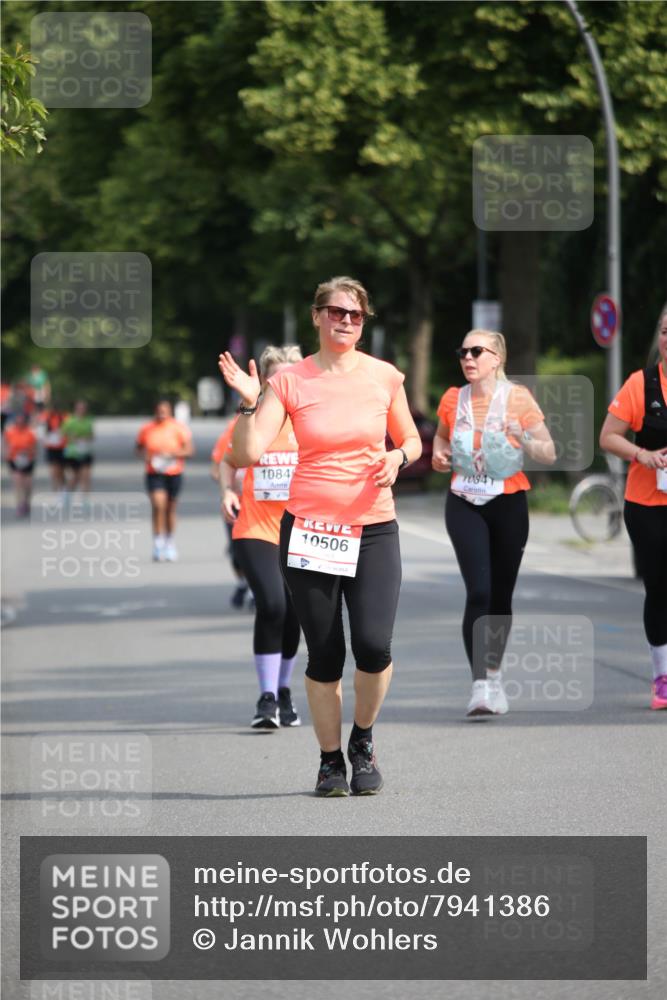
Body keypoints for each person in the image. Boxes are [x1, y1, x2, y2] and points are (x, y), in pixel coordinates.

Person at [219, 276, 421, 796]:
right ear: (317, 316)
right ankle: (330, 760)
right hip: (310, 529)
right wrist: (248, 402)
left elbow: (413, 440)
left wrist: (397, 456)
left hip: (374, 526)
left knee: (374, 646)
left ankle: (363, 739)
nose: (346, 322)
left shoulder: (384, 377)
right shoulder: (289, 380)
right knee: (326, 655)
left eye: (355, 315)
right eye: (335, 312)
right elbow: (247, 453)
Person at [432, 329, 556, 718]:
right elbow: (439, 438)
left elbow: (549, 452)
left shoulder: (517, 399)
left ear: (496, 358)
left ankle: (495, 675)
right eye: (463, 351)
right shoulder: (454, 399)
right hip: (464, 501)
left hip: (508, 503)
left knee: (501, 597)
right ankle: (480, 685)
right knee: (479, 592)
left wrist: (525, 438)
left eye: (476, 351)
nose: (467, 358)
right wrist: (439, 455)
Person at [220, 345, 304, 729]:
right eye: (277, 376)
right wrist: (227, 490)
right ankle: (266, 696)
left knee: (294, 613)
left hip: (302, 530)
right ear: (266, 379)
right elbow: (227, 458)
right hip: (255, 528)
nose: (284, 383)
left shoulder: (309, 420)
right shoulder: (250, 417)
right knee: (272, 605)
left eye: (292, 375)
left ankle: (284, 690)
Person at [600, 307, 667, 710]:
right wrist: (642, 454)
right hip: (647, 505)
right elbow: (608, 436)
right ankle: (662, 678)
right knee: (659, 586)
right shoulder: (641, 385)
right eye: (664, 331)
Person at [136, 399, 194, 562]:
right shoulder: (146, 429)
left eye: (165, 411)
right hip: (154, 472)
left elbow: (189, 450)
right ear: (155, 411)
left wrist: (173, 454)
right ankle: (157, 542)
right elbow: (138, 449)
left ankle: (169, 541)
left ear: (169, 412)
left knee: (170, 508)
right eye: (159, 410)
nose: (162, 413)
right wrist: (145, 456)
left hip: (174, 472)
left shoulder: (178, 428)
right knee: (158, 505)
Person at [211, 421, 252, 609]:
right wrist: (230, 486)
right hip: (235, 502)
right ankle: (243, 583)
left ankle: (254, 590)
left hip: (258, 507)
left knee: (256, 551)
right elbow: (216, 469)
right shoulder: (231, 432)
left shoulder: (273, 427)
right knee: (237, 552)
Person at [3, 411, 38, 517]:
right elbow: (5, 445)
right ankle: (19, 504)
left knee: (28, 484)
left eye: (22, 420)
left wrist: (29, 452)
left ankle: (27, 502)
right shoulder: (9, 432)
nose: (20, 422)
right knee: (18, 481)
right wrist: (6, 454)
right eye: (18, 420)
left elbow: (35, 448)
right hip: (14, 459)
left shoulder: (31, 433)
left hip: (28, 459)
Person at [62, 400, 95, 499]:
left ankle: (86, 500)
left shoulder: (89, 420)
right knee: (76, 477)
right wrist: (72, 438)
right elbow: (62, 434)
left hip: (86, 451)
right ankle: (67, 493)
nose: (82, 410)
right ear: (75, 409)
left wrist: (87, 438)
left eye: (84, 408)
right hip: (73, 453)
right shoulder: (70, 420)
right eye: (79, 408)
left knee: (86, 477)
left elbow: (92, 435)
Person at [42, 403, 68, 493]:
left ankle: (63, 485)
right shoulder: (47, 416)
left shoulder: (64, 417)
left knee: (61, 468)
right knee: (54, 467)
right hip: (51, 446)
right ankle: (55, 486)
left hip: (62, 446)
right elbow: (42, 429)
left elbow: (68, 430)